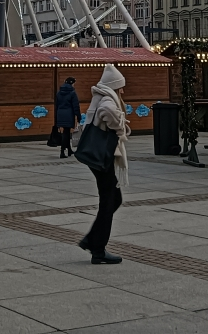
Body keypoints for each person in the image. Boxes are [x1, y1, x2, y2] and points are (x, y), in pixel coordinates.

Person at [74, 64, 129, 265]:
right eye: (121, 87)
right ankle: (97, 248)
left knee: (113, 199)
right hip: (102, 156)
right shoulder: (107, 99)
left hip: (98, 156)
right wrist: (119, 125)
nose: (123, 91)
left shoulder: (100, 96)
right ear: (114, 86)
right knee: (110, 200)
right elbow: (107, 112)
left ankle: (93, 241)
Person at [54, 76, 81, 159]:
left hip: (60, 113)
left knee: (66, 132)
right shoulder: (72, 93)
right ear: (71, 83)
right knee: (66, 133)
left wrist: (56, 117)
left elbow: (56, 105)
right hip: (69, 114)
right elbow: (76, 106)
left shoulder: (59, 93)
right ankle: (62, 151)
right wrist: (78, 116)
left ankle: (69, 150)